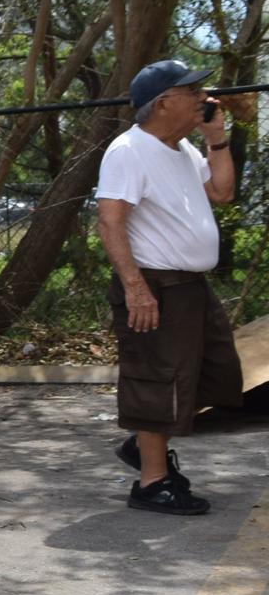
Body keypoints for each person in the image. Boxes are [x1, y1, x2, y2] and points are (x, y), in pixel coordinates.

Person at [95, 59, 242, 516]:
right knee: (158, 382)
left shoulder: (183, 151)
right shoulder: (128, 150)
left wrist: (216, 140)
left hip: (191, 286)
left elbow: (222, 192)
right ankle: (152, 482)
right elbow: (110, 220)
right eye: (192, 91)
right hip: (156, 285)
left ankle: (146, 443)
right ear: (163, 104)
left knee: (220, 378)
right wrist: (136, 289)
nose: (203, 97)